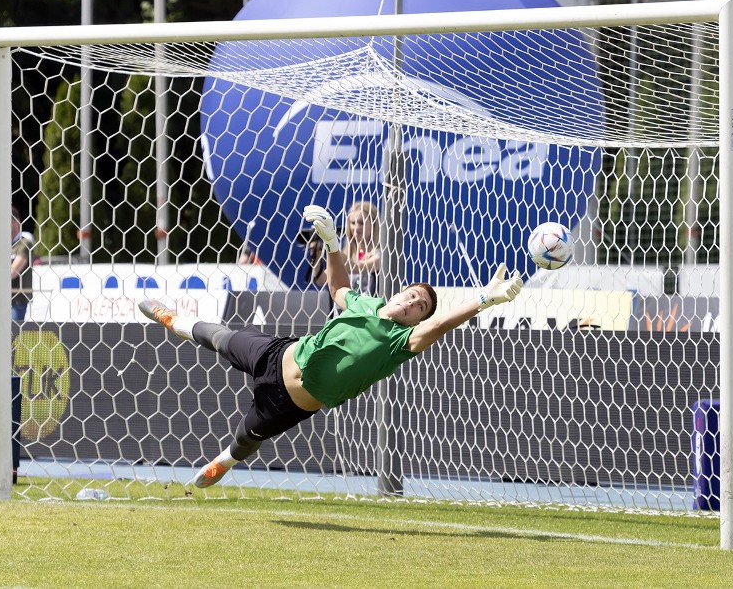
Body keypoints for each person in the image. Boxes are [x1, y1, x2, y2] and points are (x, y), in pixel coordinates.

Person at [138, 204, 522, 488]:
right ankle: (173, 319)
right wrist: (333, 242)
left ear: (415, 320)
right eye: (411, 295)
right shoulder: (366, 303)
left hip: (289, 403)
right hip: (277, 354)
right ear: (399, 293)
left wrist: (485, 300)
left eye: (418, 307)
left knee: (248, 436)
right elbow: (338, 288)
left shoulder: (402, 341)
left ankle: (222, 462)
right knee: (218, 336)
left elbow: (441, 322)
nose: (411, 303)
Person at [310, 200, 380, 295]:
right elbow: (321, 280)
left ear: (374, 223)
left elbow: (356, 268)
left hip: (371, 308)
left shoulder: (381, 253)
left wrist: (329, 241)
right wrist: (315, 252)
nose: (356, 227)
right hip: (346, 308)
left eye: (361, 223)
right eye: (353, 223)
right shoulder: (348, 253)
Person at [10, 208, 33, 321]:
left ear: (16, 222)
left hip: (18, 299)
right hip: (1, 299)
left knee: (12, 334)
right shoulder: (3, 245)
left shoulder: (24, 244)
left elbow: (13, 272)